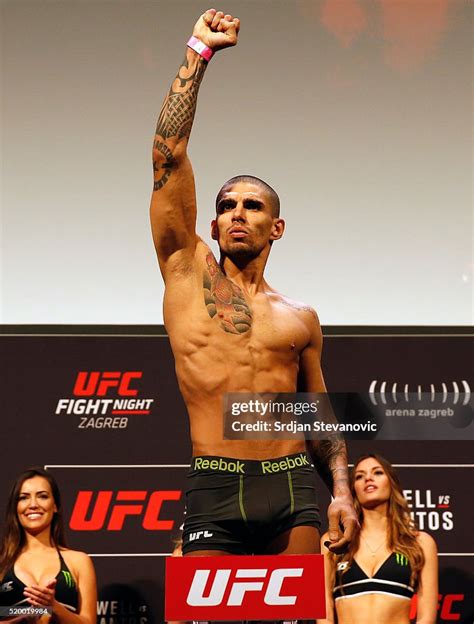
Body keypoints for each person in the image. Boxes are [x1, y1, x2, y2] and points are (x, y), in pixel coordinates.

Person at [151, 8, 358, 558]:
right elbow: (168, 154)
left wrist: (340, 489)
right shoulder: (184, 271)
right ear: (213, 224)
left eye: (253, 205)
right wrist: (198, 51)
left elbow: (316, 413)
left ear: (277, 226)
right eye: (227, 206)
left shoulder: (299, 317)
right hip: (213, 482)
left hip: (291, 484)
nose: (237, 213)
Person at [318, 454, 438, 624]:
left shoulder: (421, 542)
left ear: (391, 483)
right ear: (353, 489)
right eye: (359, 476)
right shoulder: (334, 540)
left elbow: (426, 617)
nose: (368, 478)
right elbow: (324, 613)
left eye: (377, 473)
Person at [0, 468, 97, 623]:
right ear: (15, 508)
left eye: (42, 496)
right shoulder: (2, 562)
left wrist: (53, 606)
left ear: (55, 506)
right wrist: (23, 617)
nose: (33, 504)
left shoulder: (79, 561)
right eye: (23, 498)